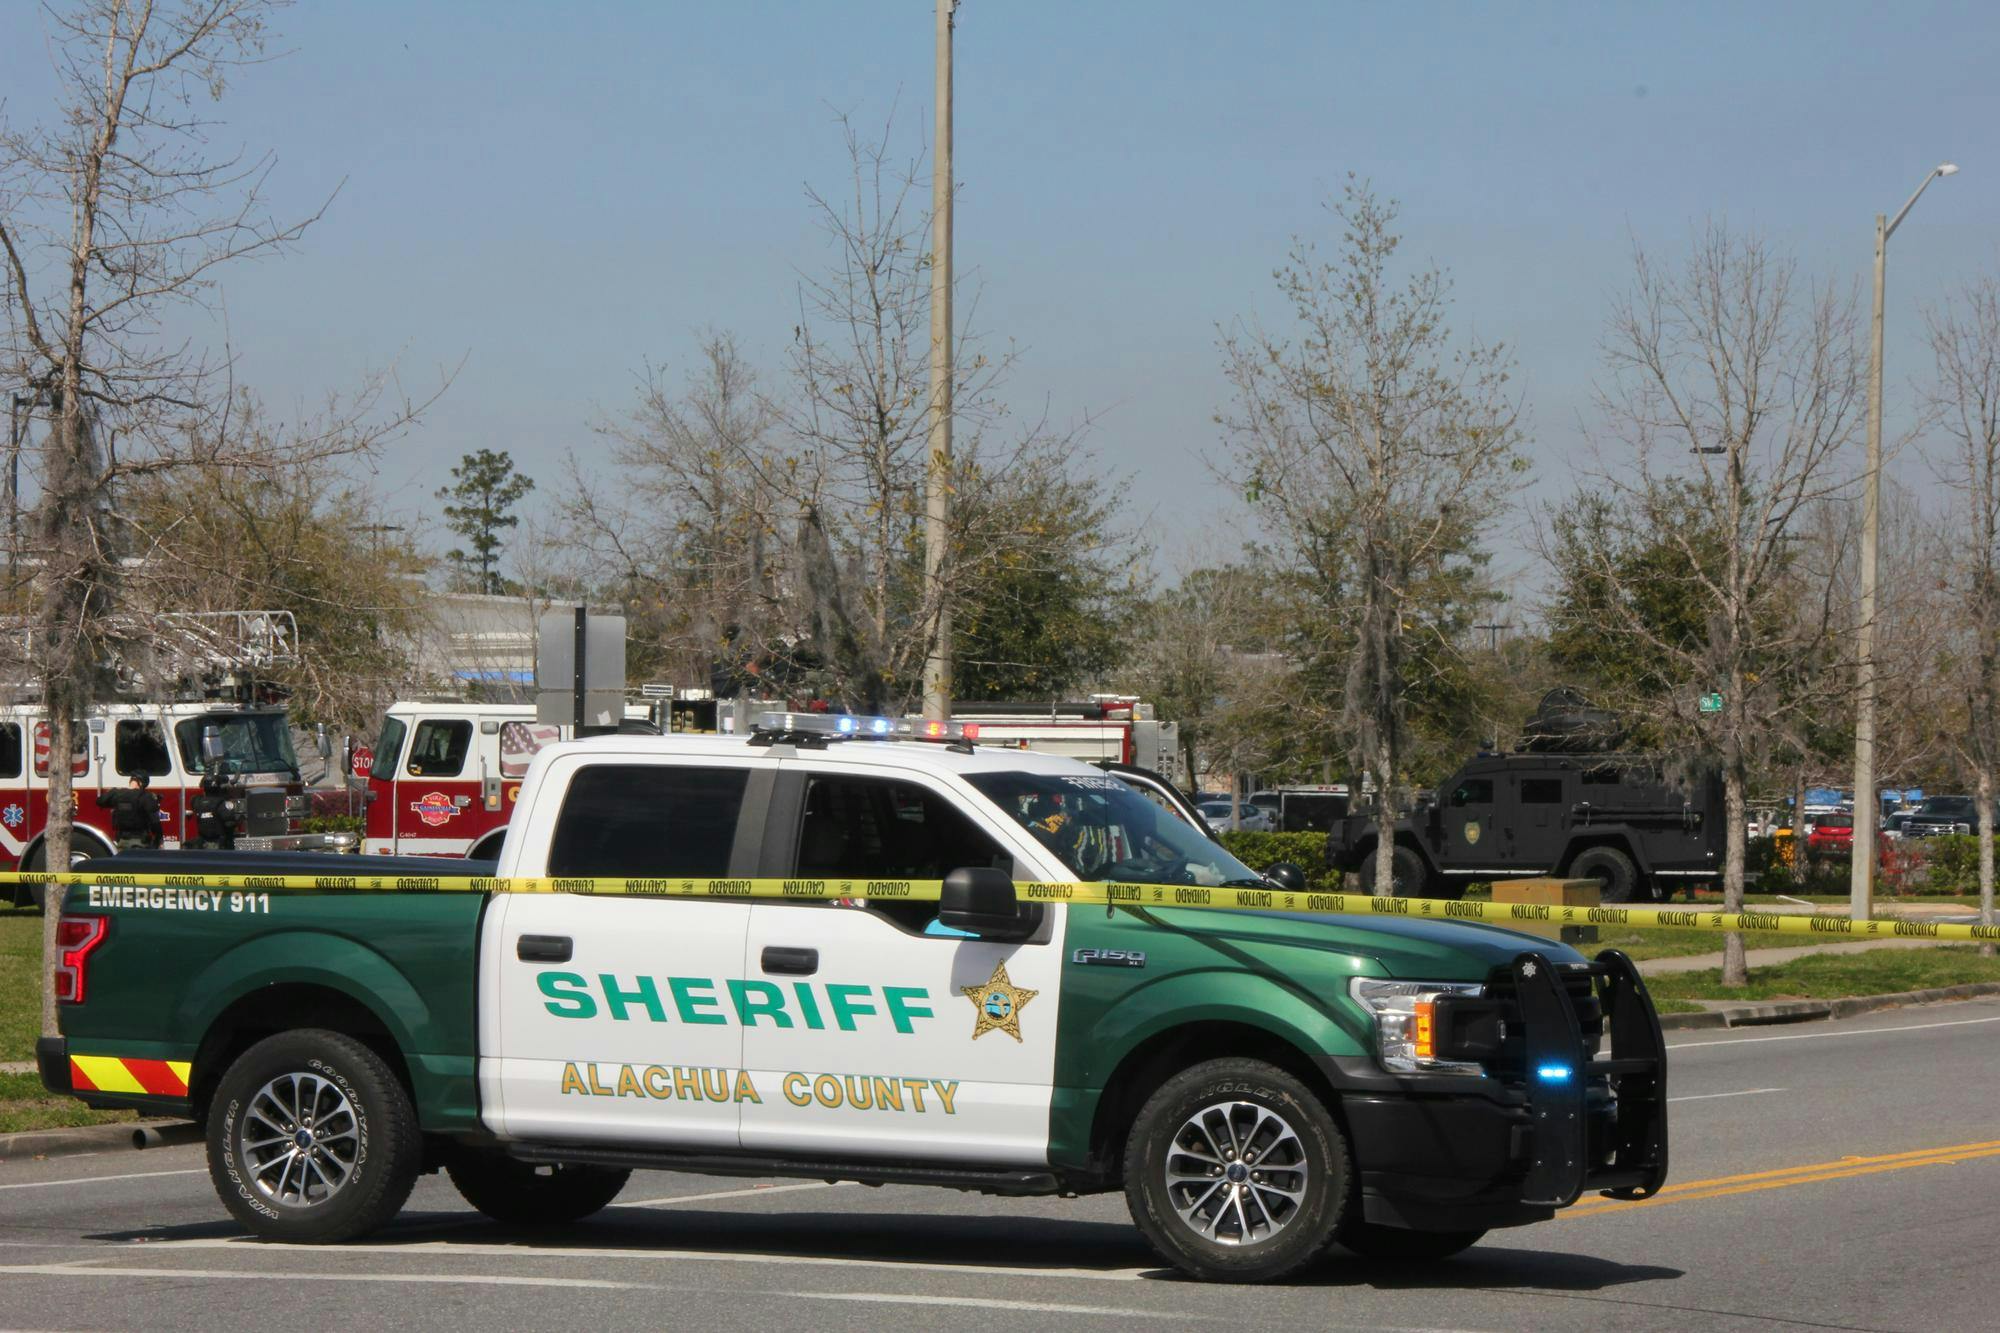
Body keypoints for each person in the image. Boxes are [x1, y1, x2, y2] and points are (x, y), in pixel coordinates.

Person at [95, 774, 163, 851]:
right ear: (141, 783)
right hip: (140, 842)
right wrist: (158, 838)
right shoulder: (146, 796)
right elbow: (155, 822)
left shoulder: (117, 794)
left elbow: (100, 801)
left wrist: (112, 791)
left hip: (121, 841)